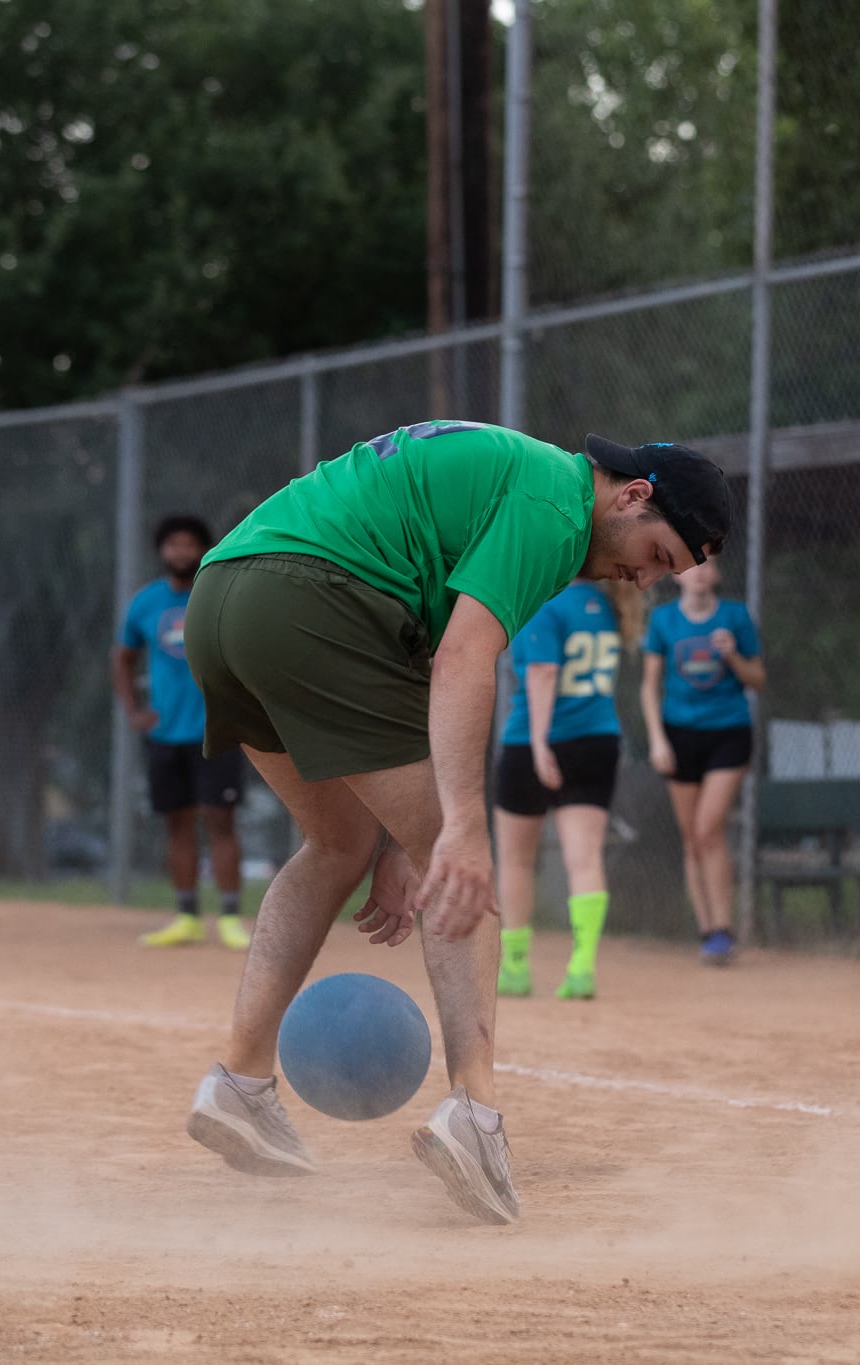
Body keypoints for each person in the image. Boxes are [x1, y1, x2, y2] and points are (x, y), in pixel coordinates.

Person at [179, 421, 728, 1224]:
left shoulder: (525, 480)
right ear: (633, 497)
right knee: (465, 866)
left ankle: (239, 1081)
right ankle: (475, 1112)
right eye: (656, 556)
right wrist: (459, 827)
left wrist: (404, 839)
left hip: (224, 599)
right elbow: (463, 658)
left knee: (338, 843)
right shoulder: (557, 507)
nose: (642, 580)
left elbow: (413, 655)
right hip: (309, 598)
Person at [493, 578, 645, 1001]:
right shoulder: (608, 603)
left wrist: (540, 743)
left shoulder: (546, 602)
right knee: (585, 859)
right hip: (596, 741)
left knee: (516, 859)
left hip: (533, 740)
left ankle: (515, 966)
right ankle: (581, 968)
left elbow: (543, 671)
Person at [113, 514, 252, 951]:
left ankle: (230, 917)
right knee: (177, 824)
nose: (181, 552)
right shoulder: (145, 603)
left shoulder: (218, 594)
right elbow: (123, 658)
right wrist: (134, 710)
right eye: (173, 544)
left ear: (203, 549)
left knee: (220, 821)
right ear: (161, 551)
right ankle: (187, 916)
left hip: (216, 730)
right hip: (165, 734)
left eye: (189, 544)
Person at [641, 558, 766, 965]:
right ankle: (708, 930)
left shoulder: (735, 617)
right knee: (692, 838)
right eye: (690, 565)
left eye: (707, 565)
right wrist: (657, 740)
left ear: (717, 574)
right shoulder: (663, 620)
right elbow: (649, 687)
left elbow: (758, 679)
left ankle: (725, 928)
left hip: (728, 733)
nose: (698, 572)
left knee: (708, 828)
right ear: (676, 575)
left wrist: (733, 656)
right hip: (679, 736)